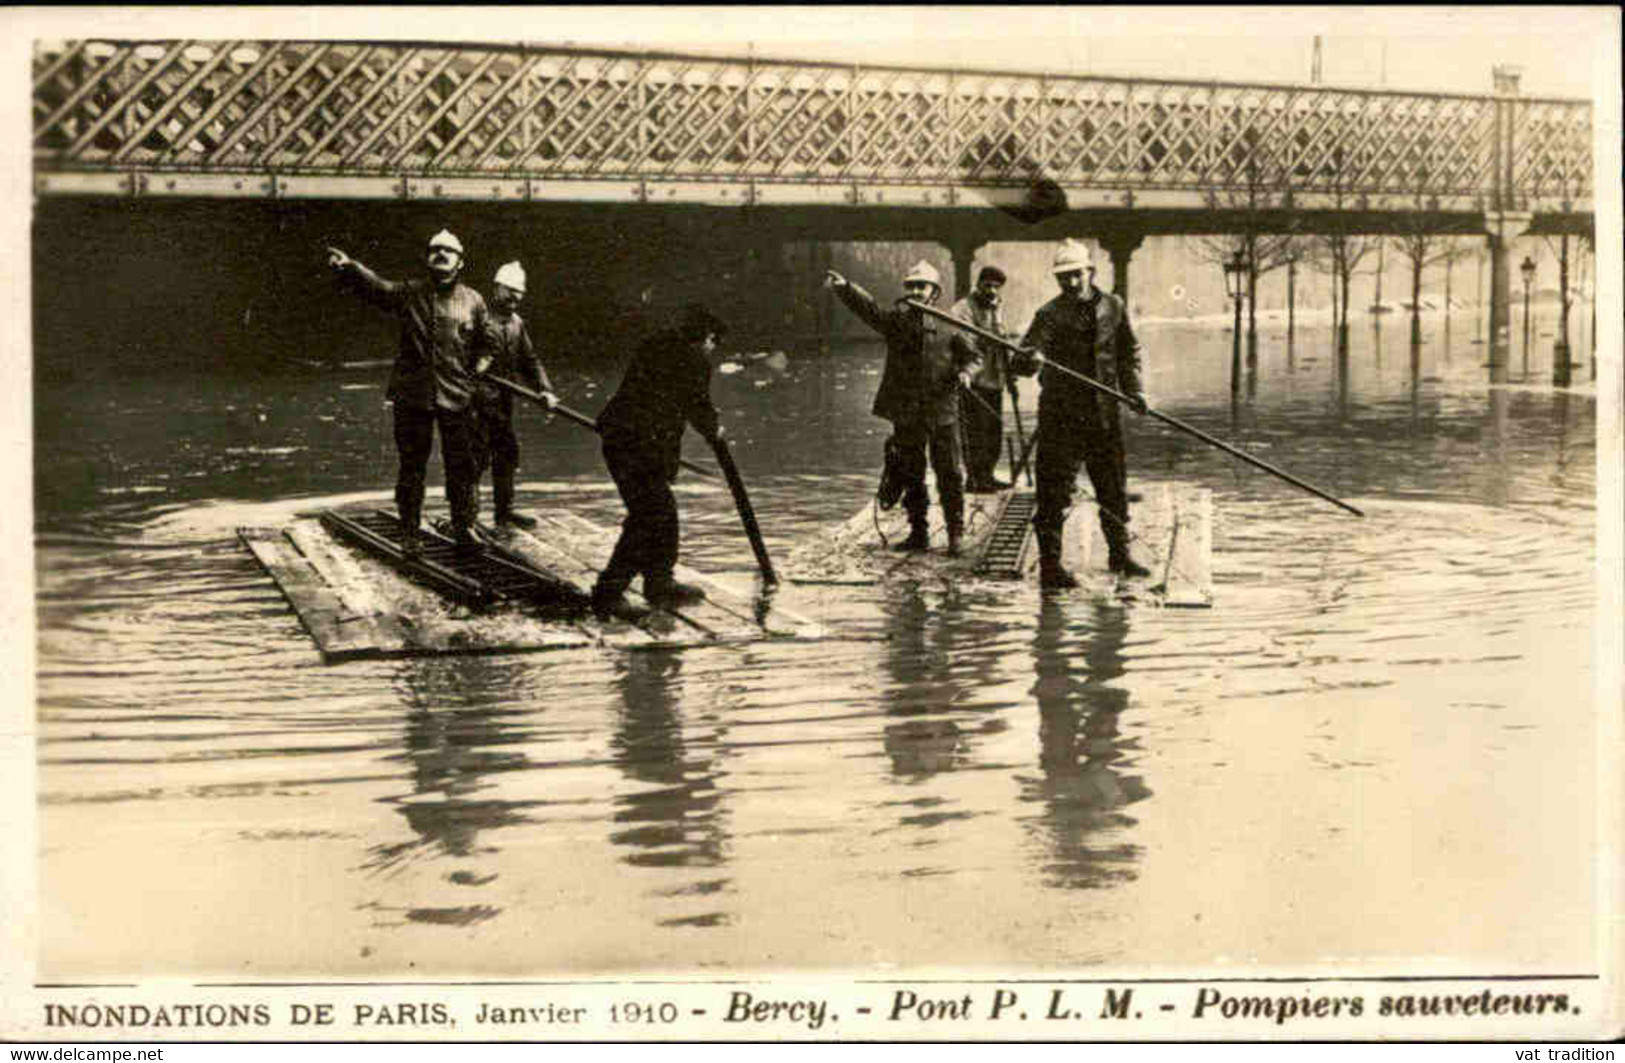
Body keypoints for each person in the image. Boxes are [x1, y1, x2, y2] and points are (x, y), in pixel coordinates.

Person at [327, 229, 498, 555]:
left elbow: (487, 345)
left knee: (461, 465)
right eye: (435, 250)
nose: (441, 255)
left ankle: (464, 528)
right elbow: (379, 287)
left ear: (461, 262)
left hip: (457, 395)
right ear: (427, 258)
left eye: (448, 251)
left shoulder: (474, 300)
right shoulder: (410, 292)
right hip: (413, 394)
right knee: (412, 465)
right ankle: (409, 529)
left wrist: (478, 369)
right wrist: (350, 266)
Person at [1013, 239, 1151, 588]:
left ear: (1090, 271)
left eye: (1076, 275)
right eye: (1064, 278)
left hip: (1104, 415)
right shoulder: (1048, 314)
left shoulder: (1114, 307)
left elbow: (1128, 353)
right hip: (1061, 418)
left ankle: (1120, 556)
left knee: (1113, 489)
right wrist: (1031, 358)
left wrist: (1135, 391)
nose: (1071, 283)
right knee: (1053, 495)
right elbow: (1022, 360)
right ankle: (1051, 569)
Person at [826, 260, 980, 557]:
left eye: (921, 286)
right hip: (907, 411)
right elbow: (868, 309)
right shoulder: (896, 322)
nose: (914, 291)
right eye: (910, 286)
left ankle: (955, 535)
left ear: (934, 292)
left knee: (949, 473)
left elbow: (974, 356)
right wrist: (845, 288)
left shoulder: (951, 325)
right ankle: (918, 532)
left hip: (942, 410)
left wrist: (966, 372)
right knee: (911, 472)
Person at [591, 304, 729, 615]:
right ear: (706, 337)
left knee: (661, 512)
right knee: (649, 516)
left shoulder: (656, 344)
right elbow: (698, 405)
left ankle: (659, 581)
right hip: (636, 447)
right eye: (713, 343)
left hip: (621, 441)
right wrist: (714, 430)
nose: (712, 350)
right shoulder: (693, 359)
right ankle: (609, 591)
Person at [472, 261, 558, 530]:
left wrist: (544, 390)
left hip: (503, 403)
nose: (514, 297)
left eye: (519, 293)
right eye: (509, 291)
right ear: (497, 288)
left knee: (507, 453)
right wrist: (476, 367)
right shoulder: (477, 318)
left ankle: (504, 511)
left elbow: (530, 361)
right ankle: (467, 520)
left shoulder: (517, 323)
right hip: (474, 403)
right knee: (475, 459)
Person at [949, 264, 1015, 493]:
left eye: (997, 287)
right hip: (972, 379)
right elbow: (966, 343)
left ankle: (987, 474)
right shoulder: (963, 308)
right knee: (975, 431)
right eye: (988, 286)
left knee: (993, 432)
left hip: (994, 379)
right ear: (978, 284)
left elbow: (1002, 338)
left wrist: (1010, 375)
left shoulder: (996, 307)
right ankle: (975, 478)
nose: (992, 291)